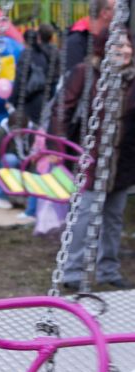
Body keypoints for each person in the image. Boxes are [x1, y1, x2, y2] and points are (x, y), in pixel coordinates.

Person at [60, 28, 135, 291]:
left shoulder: (132, 79)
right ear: (103, 47)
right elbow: (64, 108)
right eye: (118, 45)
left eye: (128, 46)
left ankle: (108, 270)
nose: (125, 50)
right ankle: (72, 271)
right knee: (84, 215)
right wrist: (56, 149)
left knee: (113, 218)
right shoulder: (87, 73)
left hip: (123, 161)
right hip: (91, 158)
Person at [0, 110, 38, 218]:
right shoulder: (1, 132)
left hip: (28, 170)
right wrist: (3, 178)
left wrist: (30, 181)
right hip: (8, 170)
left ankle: (28, 197)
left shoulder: (35, 132)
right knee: (10, 159)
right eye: (15, 131)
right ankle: (2, 196)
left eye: (22, 131)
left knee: (38, 165)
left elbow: (38, 159)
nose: (19, 134)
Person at [9, 29, 57, 124]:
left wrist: (12, 100)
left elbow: (20, 79)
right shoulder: (43, 55)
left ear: (25, 41)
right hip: (42, 99)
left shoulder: (25, 55)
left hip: (28, 100)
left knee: (27, 131)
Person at [65, 0, 115, 70]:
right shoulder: (76, 41)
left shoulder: (114, 37)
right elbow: (72, 76)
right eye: (116, 9)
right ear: (104, 13)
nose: (121, 13)